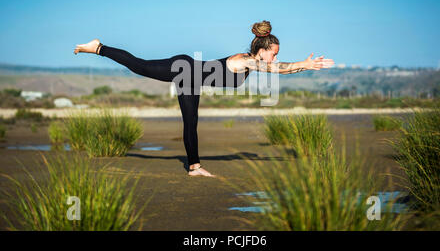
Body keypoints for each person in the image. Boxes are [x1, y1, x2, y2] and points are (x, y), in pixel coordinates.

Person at [73, 20, 335, 177]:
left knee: (191, 122)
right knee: (139, 66)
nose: (275, 58)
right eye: (273, 53)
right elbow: (277, 69)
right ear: (262, 50)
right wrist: (303, 64)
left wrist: (305, 65)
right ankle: (99, 47)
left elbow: (278, 69)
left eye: (277, 54)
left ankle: (194, 167)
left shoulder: (251, 61)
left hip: (191, 78)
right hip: (183, 69)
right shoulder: (247, 61)